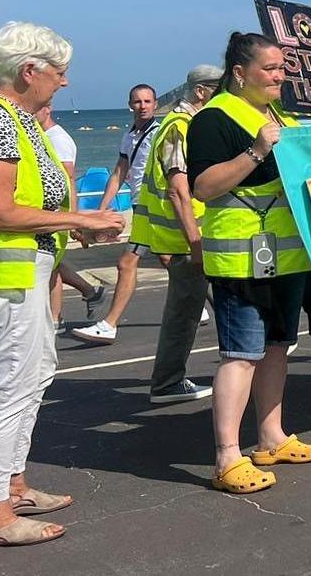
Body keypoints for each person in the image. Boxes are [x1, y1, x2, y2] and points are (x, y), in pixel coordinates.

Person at [0, 22, 125, 546]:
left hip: (23, 272)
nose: (65, 83)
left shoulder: (16, 117)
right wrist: (81, 222)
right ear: (28, 71)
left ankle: (12, 485)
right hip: (1, 275)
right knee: (6, 389)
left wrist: (69, 220)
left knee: (30, 379)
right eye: (59, 73)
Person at [189, 32, 311, 494]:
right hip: (240, 261)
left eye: (283, 68)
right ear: (240, 72)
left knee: (276, 348)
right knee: (241, 355)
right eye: (271, 68)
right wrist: (256, 151)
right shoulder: (214, 119)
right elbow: (203, 187)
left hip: (283, 257)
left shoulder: (279, 115)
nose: (280, 76)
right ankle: (227, 457)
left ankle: (272, 436)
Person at [130, 65, 221, 403]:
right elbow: (177, 190)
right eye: (218, 88)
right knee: (184, 313)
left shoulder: (185, 125)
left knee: (218, 303)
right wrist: (195, 241)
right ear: (201, 91)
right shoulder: (180, 127)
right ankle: (167, 383)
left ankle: (240, 363)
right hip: (186, 240)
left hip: (190, 236)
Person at [69, 83, 159, 345]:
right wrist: (103, 208)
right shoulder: (129, 135)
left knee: (126, 263)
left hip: (153, 204)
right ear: (130, 104)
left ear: (154, 104)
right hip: (139, 204)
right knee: (173, 261)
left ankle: (109, 324)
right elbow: (119, 171)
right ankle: (199, 307)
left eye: (147, 101)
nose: (142, 106)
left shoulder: (158, 132)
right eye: (137, 101)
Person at [34, 102, 105, 330]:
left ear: (48, 109)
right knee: (51, 263)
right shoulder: (43, 135)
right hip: (50, 214)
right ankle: (88, 292)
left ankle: (55, 319)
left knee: (51, 266)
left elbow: (68, 180)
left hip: (57, 214)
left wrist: (72, 217)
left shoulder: (58, 139)